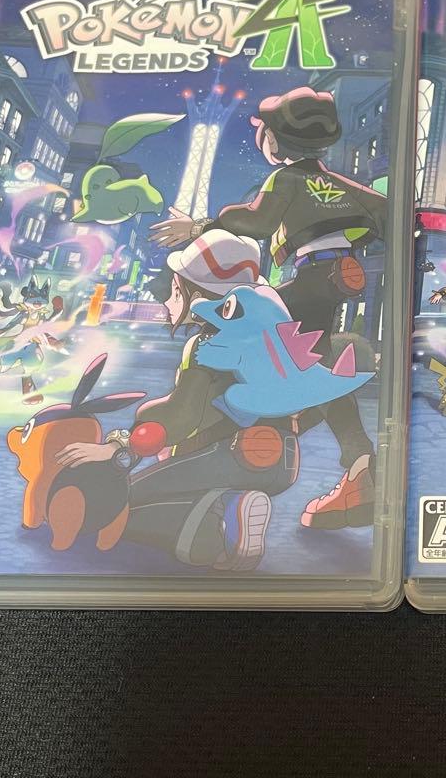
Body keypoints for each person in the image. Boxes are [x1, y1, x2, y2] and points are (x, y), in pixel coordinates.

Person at [149, 86, 386, 531]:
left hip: (314, 276)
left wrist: (202, 226)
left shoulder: (285, 179)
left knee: (244, 330)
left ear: (274, 139)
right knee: (314, 368)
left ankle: (211, 438)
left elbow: (256, 222)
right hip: (335, 279)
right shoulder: (342, 185)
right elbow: (387, 212)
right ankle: (359, 471)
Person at [55, 230, 297, 571]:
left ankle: (222, 519)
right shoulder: (267, 336)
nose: (169, 302)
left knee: (116, 506)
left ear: (196, 296)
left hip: (231, 456)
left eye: (175, 291)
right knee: (172, 483)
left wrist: (119, 446)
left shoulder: (210, 343)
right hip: (283, 460)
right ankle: (224, 505)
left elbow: (182, 416)